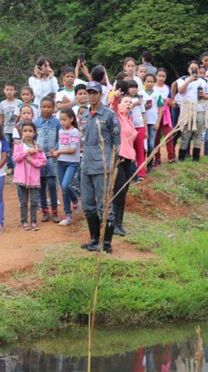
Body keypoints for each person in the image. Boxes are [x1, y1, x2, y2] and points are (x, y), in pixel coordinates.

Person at [79, 81, 120, 252]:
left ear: (101, 94)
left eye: (94, 92)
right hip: (86, 165)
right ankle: (95, 239)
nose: (91, 95)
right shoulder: (85, 116)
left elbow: (117, 143)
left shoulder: (109, 115)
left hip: (103, 166)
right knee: (88, 204)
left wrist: (112, 163)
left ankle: (107, 244)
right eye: (89, 92)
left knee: (104, 205)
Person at [110, 94, 138, 247]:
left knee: (125, 191)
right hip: (118, 157)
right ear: (120, 105)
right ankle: (113, 223)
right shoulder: (117, 117)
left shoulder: (129, 121)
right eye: (125, 102)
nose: (128, 104)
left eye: (130, 102)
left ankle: (119, 223)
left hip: (129, 158)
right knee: (118, 191)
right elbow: (112, 107)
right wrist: (115, 98)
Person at [12, 121, 47, 231]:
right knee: (23, 201)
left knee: (34, 201)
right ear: (21, 132)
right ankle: (24, 221)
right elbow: (16, 158)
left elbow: (43, 161)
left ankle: (33, 221)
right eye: (25, 131)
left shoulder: (38, 147)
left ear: (34, 132)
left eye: (30, 131)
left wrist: (32, 160)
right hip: (21, 177)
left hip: (34, 178)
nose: (28, 133)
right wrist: (27, 151)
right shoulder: (18, 145)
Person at [176, 60, 208, 162]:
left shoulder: (204, 81)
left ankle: (196, 158)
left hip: (200, 110)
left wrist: (204, 96)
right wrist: (189, 81)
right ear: (188, 70)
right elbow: (180, 91)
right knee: (185, 134)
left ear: (199, 69)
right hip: (187, 110)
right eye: (192, 68)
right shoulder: (182, 79)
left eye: (196, 68)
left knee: (198, 134)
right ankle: (181, 157)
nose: (194, 70)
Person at [53, 108, 80, 225]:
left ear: (71, 119)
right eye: (61, 120)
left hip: (72, 163)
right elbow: (61, 144)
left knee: (65, 185)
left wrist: (58, 152)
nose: (62, 122)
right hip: (61, 162)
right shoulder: (61, 131)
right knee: (63, 189)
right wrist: (55, 151)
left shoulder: (75, 132)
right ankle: (67, 215)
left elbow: (73, 149)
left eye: (64, 119)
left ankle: (74, 199)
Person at [36, 96, 61, 222]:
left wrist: (56, 149)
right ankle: (45, 211)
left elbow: (60, 138)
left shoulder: (57, 123)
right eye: (43, 107)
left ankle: (55, 211)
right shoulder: (36, 123)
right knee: (41, 184)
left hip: (52, 157)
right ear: (40, 108)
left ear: (53, 108)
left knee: (52, 184)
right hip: (39, 157)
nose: (46, 109)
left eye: (49, 107)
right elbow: (32, 138)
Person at [153, 69, 175, 165]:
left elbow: (172, 102)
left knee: (169, 136)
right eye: (160, 76)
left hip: (166, 115)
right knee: (155, 137)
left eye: (163, 76)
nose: (161, 78)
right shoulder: (152, 87)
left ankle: (171, 157)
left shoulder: (167, 88)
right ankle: (157, 158)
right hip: (155, 115)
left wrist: (170, 102)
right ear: (156, 76)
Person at [0, 83, 19, 171]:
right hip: (6, 129)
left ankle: (17, 165)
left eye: (11, 89)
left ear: (15, 91)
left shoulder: (19, 102)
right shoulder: (2, 103)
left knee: (16, 147)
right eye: (7, 89)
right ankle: (10, 166)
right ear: (4, 91)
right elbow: (1, 117)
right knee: (7, 148)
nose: (9, 91)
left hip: (16, 129)